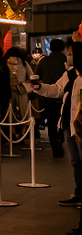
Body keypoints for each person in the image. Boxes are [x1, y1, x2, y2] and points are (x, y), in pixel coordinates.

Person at [30, 29, 82, 210]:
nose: (69, 55)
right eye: (69, 50)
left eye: (72, 51)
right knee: (75, 161)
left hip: (80, 125)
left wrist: (77, 42)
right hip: (68, 124)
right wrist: (39, 88)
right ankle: (79, 192)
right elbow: (55, 90)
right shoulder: (71, 73)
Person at [37, 38, 69, 158]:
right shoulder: (65, 60)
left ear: (49, 48)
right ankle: (60, 138)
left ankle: (54, 146)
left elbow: (37, 75)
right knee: (63, 118)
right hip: (64, 95)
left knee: (51, 121)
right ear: (63, 49)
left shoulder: (44, 61)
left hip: (47, 94)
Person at [5, 47, 34, 139]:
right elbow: (31, 76)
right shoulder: (24, 64)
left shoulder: (5, 63)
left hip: (9, 91)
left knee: (10, 112)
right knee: (24, 112)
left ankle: (13, 134)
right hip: (22, 91)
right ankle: (22, 134)